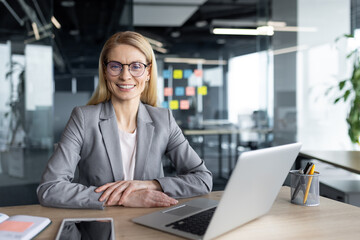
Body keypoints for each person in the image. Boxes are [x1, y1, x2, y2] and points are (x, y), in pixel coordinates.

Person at [37, 31, 213, 209]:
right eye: (115, 66)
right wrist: (122, 198)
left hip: (151, 224)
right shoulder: (83, 118)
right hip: (100, 226)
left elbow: (202, 179)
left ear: (148, 72)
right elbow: (50, 188)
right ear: (105, 72)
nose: (125, 76)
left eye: (136, 66)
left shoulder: (163, 119)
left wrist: (149, 184)